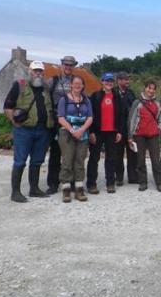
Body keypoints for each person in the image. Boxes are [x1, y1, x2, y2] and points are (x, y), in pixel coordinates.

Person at [4, 61, 53, 202]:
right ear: (30, 71)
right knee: (20, 161)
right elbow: (8, 106)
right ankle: (15, 192)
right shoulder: (19, 85)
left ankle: (34, 189)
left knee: (37, 161)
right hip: (24, 130)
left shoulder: (45, 88)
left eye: (40, 71)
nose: (38, 73)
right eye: (35, 70)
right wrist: (14, 122)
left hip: (42, 130)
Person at [57, 75, 93, 203]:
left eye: (80, 83)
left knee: (80, 160)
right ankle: (66, 190)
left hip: (82, 134)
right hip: (67, 133)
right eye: (75, 83)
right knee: (67, 160)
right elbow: (60, 118)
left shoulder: (86, 100)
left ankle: (79, 189)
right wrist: (72, 130)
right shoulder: (64, 100)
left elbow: (90, 117)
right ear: (71, 85)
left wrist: (82, 130)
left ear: (83, 86)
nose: (78, 85)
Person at [86, 72, 124, 194]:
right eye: (106, 81)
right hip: (97, 132)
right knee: (94, 158)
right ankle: (91, 184)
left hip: (112, 132)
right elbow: (89, 115)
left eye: (111, 81)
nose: (109, 83)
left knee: (111, 159)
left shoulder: (117, 96)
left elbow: (121, 116)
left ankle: (110, 183)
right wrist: (91, 132)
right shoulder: (95, 96)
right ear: (102, 82)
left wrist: (120, 131)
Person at [46, 55, 77, 195]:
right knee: (55, 153)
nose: (68, 67)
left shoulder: (77, 82)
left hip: (73, 121)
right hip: (56, 122)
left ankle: (71, 181)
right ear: (61, 65)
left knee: (72, 153)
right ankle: (53, 184)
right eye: (66, 64)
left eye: (71, 65)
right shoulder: (53, 80)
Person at [128, 80, 161, 192]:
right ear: (145, 88)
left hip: (153, 135)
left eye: (153, 89)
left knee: (155, 160)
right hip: (139, 135)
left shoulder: (157, 103)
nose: (151, 90)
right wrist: (130, 135)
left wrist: (159, 129)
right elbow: (131, 119)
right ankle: (142, 182)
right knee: (140, 160)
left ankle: (159, 182)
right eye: (149, 88)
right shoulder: (137, 102)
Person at [114, 71, 138, 186]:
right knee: (118, 154)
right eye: (124, 79)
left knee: (132, 153)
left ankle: (132, 176)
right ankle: (119, 177)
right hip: (118, 127)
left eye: (128, 79)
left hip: (130, 128)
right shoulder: (113, 93)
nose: (127, 81)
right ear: (118, 80)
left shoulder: (131, 93)